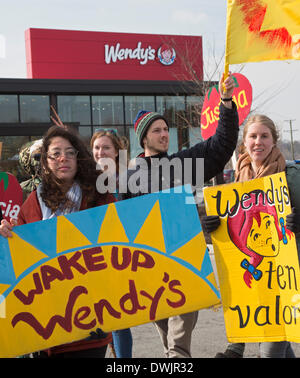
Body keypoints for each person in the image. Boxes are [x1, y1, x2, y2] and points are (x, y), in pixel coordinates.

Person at [120, 73, 239, 358]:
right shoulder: (127, 179)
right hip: (148, 263)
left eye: (165, 129)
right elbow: (120, 223)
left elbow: (221, 145)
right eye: (157, 131)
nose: (164, 134)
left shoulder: (182, 164)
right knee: (165, 332)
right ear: (144, 138)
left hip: (185, 257)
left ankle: (178, 355)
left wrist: (226, 103)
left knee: (179, 339)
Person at [0, 125, 115, 358]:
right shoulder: (32, 202)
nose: (63, 158)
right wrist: (7, 233)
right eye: (55, 153)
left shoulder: (99, 197)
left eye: (70, 152)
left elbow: (117, 245)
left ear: (79, 157)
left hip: (89, 323)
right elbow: (18, 258)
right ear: (45, 161)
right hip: (45, 327)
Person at [202, 114, 299, 358]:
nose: (258, 142)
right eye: (253, 136)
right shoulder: (237, 180)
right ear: (244, 143)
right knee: (281, 349)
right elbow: (236, 229)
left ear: (274, 142)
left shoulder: (291, 177)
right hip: (256, 279)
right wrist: (213, 224)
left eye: (264, 136)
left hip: (286, 279)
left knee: (269, 351)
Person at [91, 129, 133, 358]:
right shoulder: (86, 181)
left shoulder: (128, 179)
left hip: (122, 256)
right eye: (96, 148)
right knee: (98, 319)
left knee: (118, 319)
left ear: (117, 152)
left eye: (106, 147)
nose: (100, 152)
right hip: (93, 257)